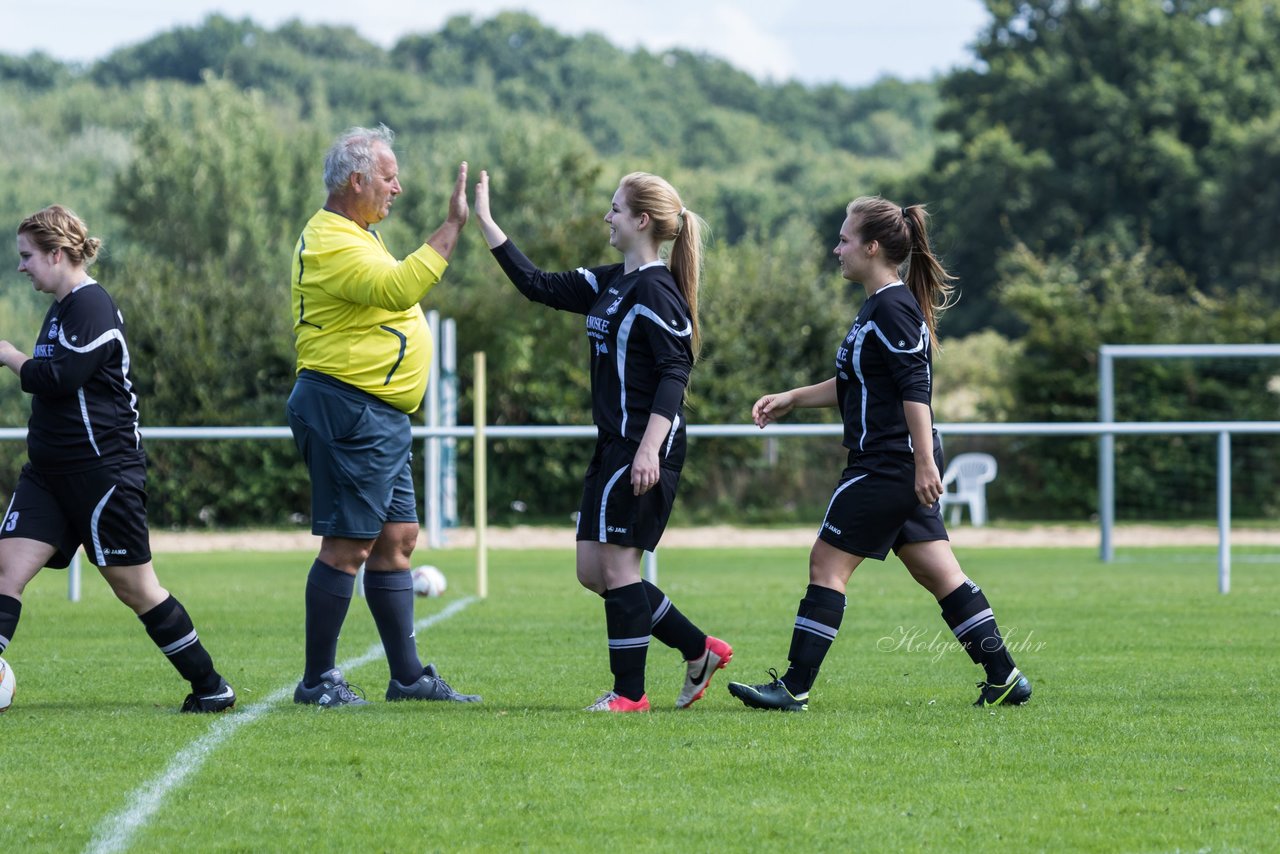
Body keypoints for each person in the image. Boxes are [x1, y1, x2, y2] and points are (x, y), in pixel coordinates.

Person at [726, 197, 1033, 711]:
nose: (836, 248)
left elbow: (917, 387)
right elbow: (857, 381)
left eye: (844, 239)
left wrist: (923, 462)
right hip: (901, 462)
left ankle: (794, 687)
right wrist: (794, 398)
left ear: (871, 248)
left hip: (887, 463)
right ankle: (1005, 677)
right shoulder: (881, 304)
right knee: (940, 573)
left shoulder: (891, 305)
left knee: (826, 563)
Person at [474, 169, 732, 712]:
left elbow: (673, 374)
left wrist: (648, 451)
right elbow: (537, 285)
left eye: (615, 208)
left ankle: (630, 695)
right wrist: (487, 224)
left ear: (642, 220)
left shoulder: (658, 292)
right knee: (592, 571)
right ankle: (698, 648)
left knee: (619, 570)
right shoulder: (610, 281)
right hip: (614, 443)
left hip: (644, 444)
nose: (607, 217)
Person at [0, 205, 235, 713]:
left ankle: (211, 686)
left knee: (136, 589)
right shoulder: (61, 307)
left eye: (27, 257)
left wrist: (7, 352)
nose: (22, 267)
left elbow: (58, 379)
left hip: (102, 475)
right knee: (5, 571)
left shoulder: (92, 306)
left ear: (56, 254)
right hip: (48, 477)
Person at [287, 125, 479, 707]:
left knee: (397, 540)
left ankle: (408, 678)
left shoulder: (357, 233)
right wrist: (451, 229)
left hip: (378, 416)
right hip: (350, 410)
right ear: (357, 179)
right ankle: (317, 681)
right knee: (348, 545)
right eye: (389, 176)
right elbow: (399, 289)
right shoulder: (330, 239)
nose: (398, 186)